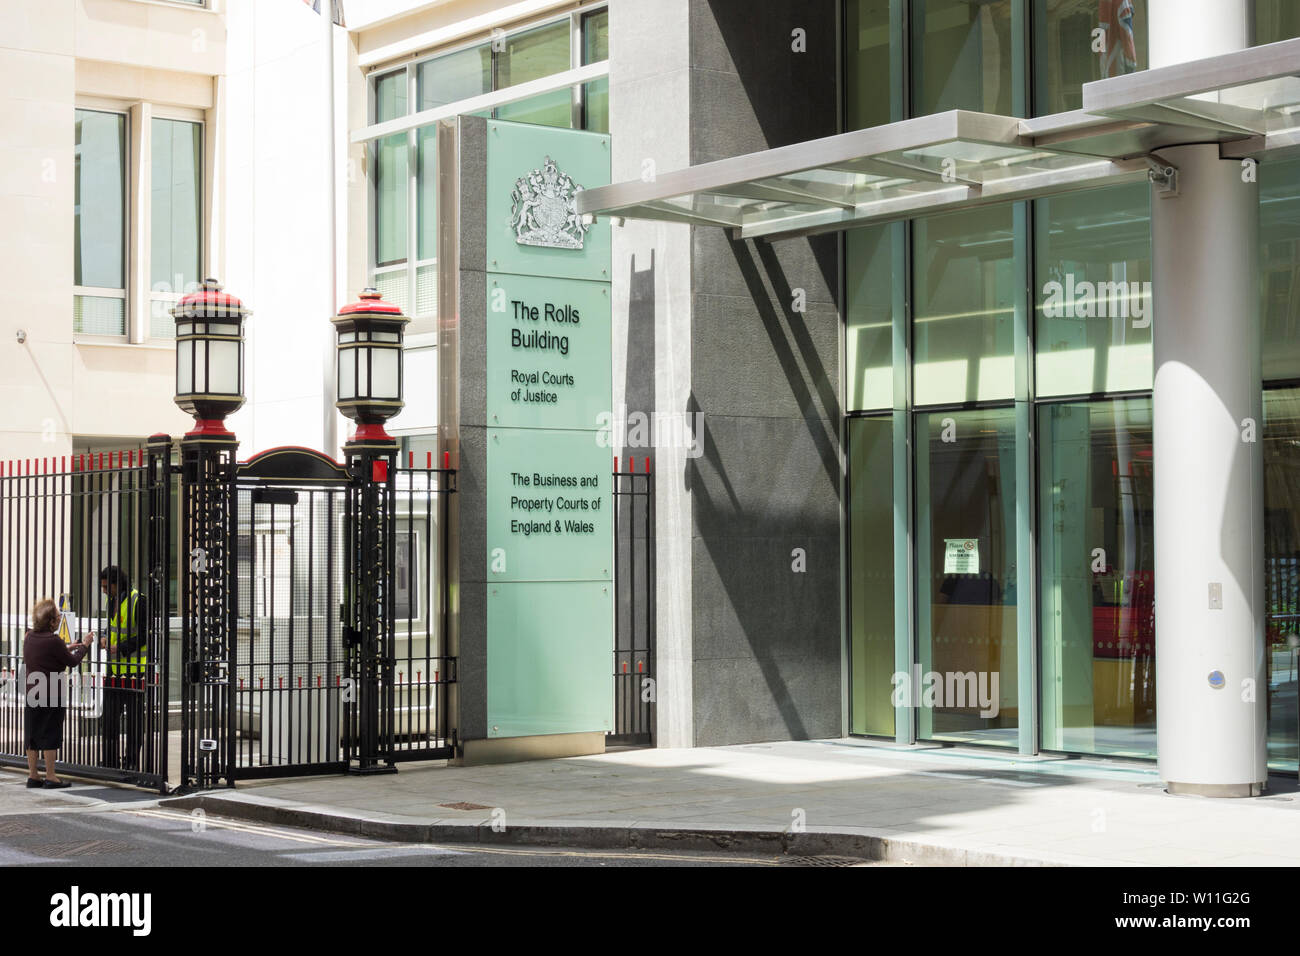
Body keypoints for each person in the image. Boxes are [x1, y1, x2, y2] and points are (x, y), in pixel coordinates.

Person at [24, 599, 93, 788]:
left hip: (32, 689)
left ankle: (33, 775)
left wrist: (66, 648)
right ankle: (51, 776)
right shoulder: (53, 641)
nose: (60, 617)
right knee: (50, 733)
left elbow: (43, 654)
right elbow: (72, 662)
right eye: (57, 616)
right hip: (51, 690)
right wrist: (85, 646)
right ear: (51, 622)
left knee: (32, 733)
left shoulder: (29, 636)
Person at [88, 566, 147, 771]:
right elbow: (111, 626)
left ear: (116, 584)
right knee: (110, 719)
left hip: (134, 671)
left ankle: (131, 762)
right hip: (113, 669)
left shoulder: (139, 601)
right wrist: (104, 637)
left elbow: (144, 636)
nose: (103, 590)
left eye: (106, 587)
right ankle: (110, 760)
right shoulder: (111, 600)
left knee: (134, 721)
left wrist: (119, 647)